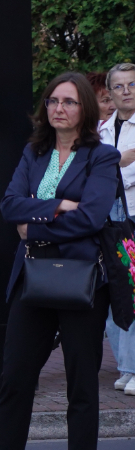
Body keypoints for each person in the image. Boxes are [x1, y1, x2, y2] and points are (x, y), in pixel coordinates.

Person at [0, 71, 119, 450]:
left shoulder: (101, 157)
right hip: (32, 279)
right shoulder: (33, 152)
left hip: (81, 281)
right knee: (15, 377)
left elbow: (91, 218)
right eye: (53, 101)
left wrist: (32, 228)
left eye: (69, 102)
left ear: (85, 109)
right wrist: (56, 205)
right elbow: (8, 204)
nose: (59, 109)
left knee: (80, 380)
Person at [97, 62, 135, 396]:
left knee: (134, 291)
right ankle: (126, 366)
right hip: (110, 218)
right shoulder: (102, 130)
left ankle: (134, 367)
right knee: (114, 293)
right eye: (119, 87)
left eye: (132, 85)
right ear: (109, 93)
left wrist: (117, 164)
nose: (126, 92)